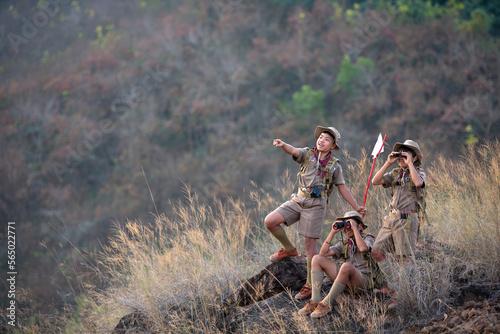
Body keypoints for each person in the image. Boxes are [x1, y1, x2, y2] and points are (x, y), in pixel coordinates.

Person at [265, 125, 366, 300]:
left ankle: (310, 285)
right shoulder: (307, 153)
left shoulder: (335, 166)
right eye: (320, 137)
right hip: (298, 199)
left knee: (310, 247)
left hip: (316, 205)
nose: (321, 140)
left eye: (327, 139)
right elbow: (293, 150)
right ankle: (289, 249)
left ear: (333, 145)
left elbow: (342, 188)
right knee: (270, 221)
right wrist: (283, 145)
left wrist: (356, 207)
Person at [370, 139, 426, 309]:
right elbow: (375, 181)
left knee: (403, 259)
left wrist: (410, 164)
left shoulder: (419, 172)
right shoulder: (395, 173)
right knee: (376, 251)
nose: (401, 156)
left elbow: (418, 184)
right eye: (399, 153)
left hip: (407, 220)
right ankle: (393, 286)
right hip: (391, 218)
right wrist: (388, 162)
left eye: (406, 153)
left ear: (414, 157)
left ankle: (401, 294)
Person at [298, 211, 376, 318]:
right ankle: (315, 300)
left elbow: (363, 248)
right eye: (344, 225)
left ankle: (326, 303)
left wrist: (355, 228)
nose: (346, 228)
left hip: (363, 281)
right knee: (316, 258)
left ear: (360, 225)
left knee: (346, 266)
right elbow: (323, 253)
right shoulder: (344, 243)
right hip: (346, 281)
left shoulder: (368, 238)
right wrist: (332, 232)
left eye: (349, 224)